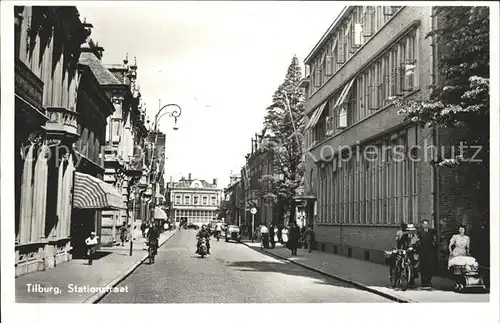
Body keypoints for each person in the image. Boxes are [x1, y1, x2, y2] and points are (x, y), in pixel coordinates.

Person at [418, 219, 437, 288]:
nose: (425, 225)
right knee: (423, 268)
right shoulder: (419, 232)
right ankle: (423, 282)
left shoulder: (431, 232)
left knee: (430, 267)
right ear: (422, 225)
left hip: (430, 252)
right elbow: (417, 241)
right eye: (424, 224)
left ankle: (429, 281)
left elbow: (434, 240)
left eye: (426, 224)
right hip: (422, 252)